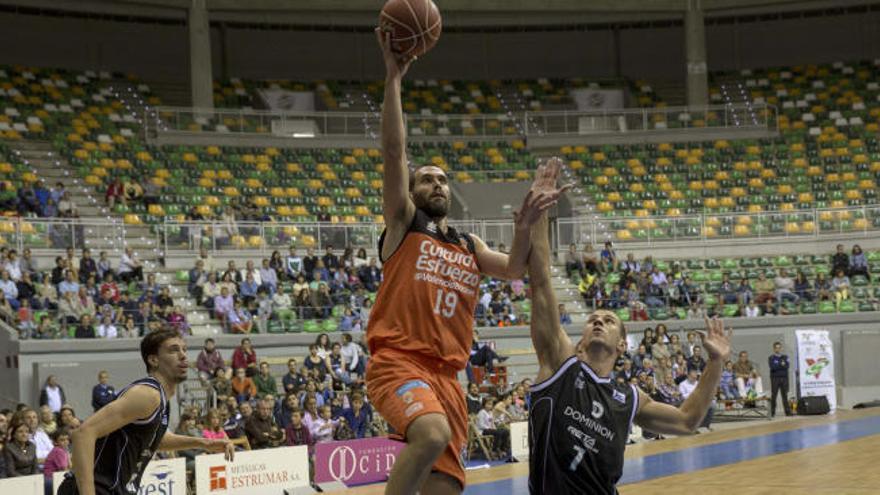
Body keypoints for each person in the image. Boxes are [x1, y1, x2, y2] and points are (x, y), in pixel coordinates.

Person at [365, 30, 566, 495]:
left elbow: (516, 269)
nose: (436, 184)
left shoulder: (468, 244)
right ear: (411, 192)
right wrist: (394, 79)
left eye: (442, 179)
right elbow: (394, 153)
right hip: (399, 362)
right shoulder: (402, 224)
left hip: (449, 379)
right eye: (426, 179)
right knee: (431, 433)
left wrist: (529, 221)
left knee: (447, 489)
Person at [524, 187, 731, 493]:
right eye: (593, 319)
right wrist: (540, 214)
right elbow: (540, 280)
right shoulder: (559, 365)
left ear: (622, 345)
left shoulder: (630, 398)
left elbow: (687, 422)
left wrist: (715, 362)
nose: (598, 321)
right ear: (579, 340)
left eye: (609, 321)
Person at [60, 328, 234, 495]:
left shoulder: (160, 399)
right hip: (93, 489)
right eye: (174, 350)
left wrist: (205, 443)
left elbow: (155, 439)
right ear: (153, 360)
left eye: (184, 349)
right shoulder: (147, 395)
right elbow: (83, 434)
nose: (183, 355)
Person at [768, 342, 792, 417]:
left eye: (779, 347)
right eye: (776, 348)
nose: (778, 349)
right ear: (774, 348)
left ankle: (788, 412)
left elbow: (787, 366)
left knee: (785, 396)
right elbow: (773, 367)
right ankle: (772, 412)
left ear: (781, 348)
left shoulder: (785, 357)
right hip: (775, 379)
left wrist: (778, 365)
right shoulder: (771, 358)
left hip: (784, 378)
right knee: (774, 395)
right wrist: (781, 365)